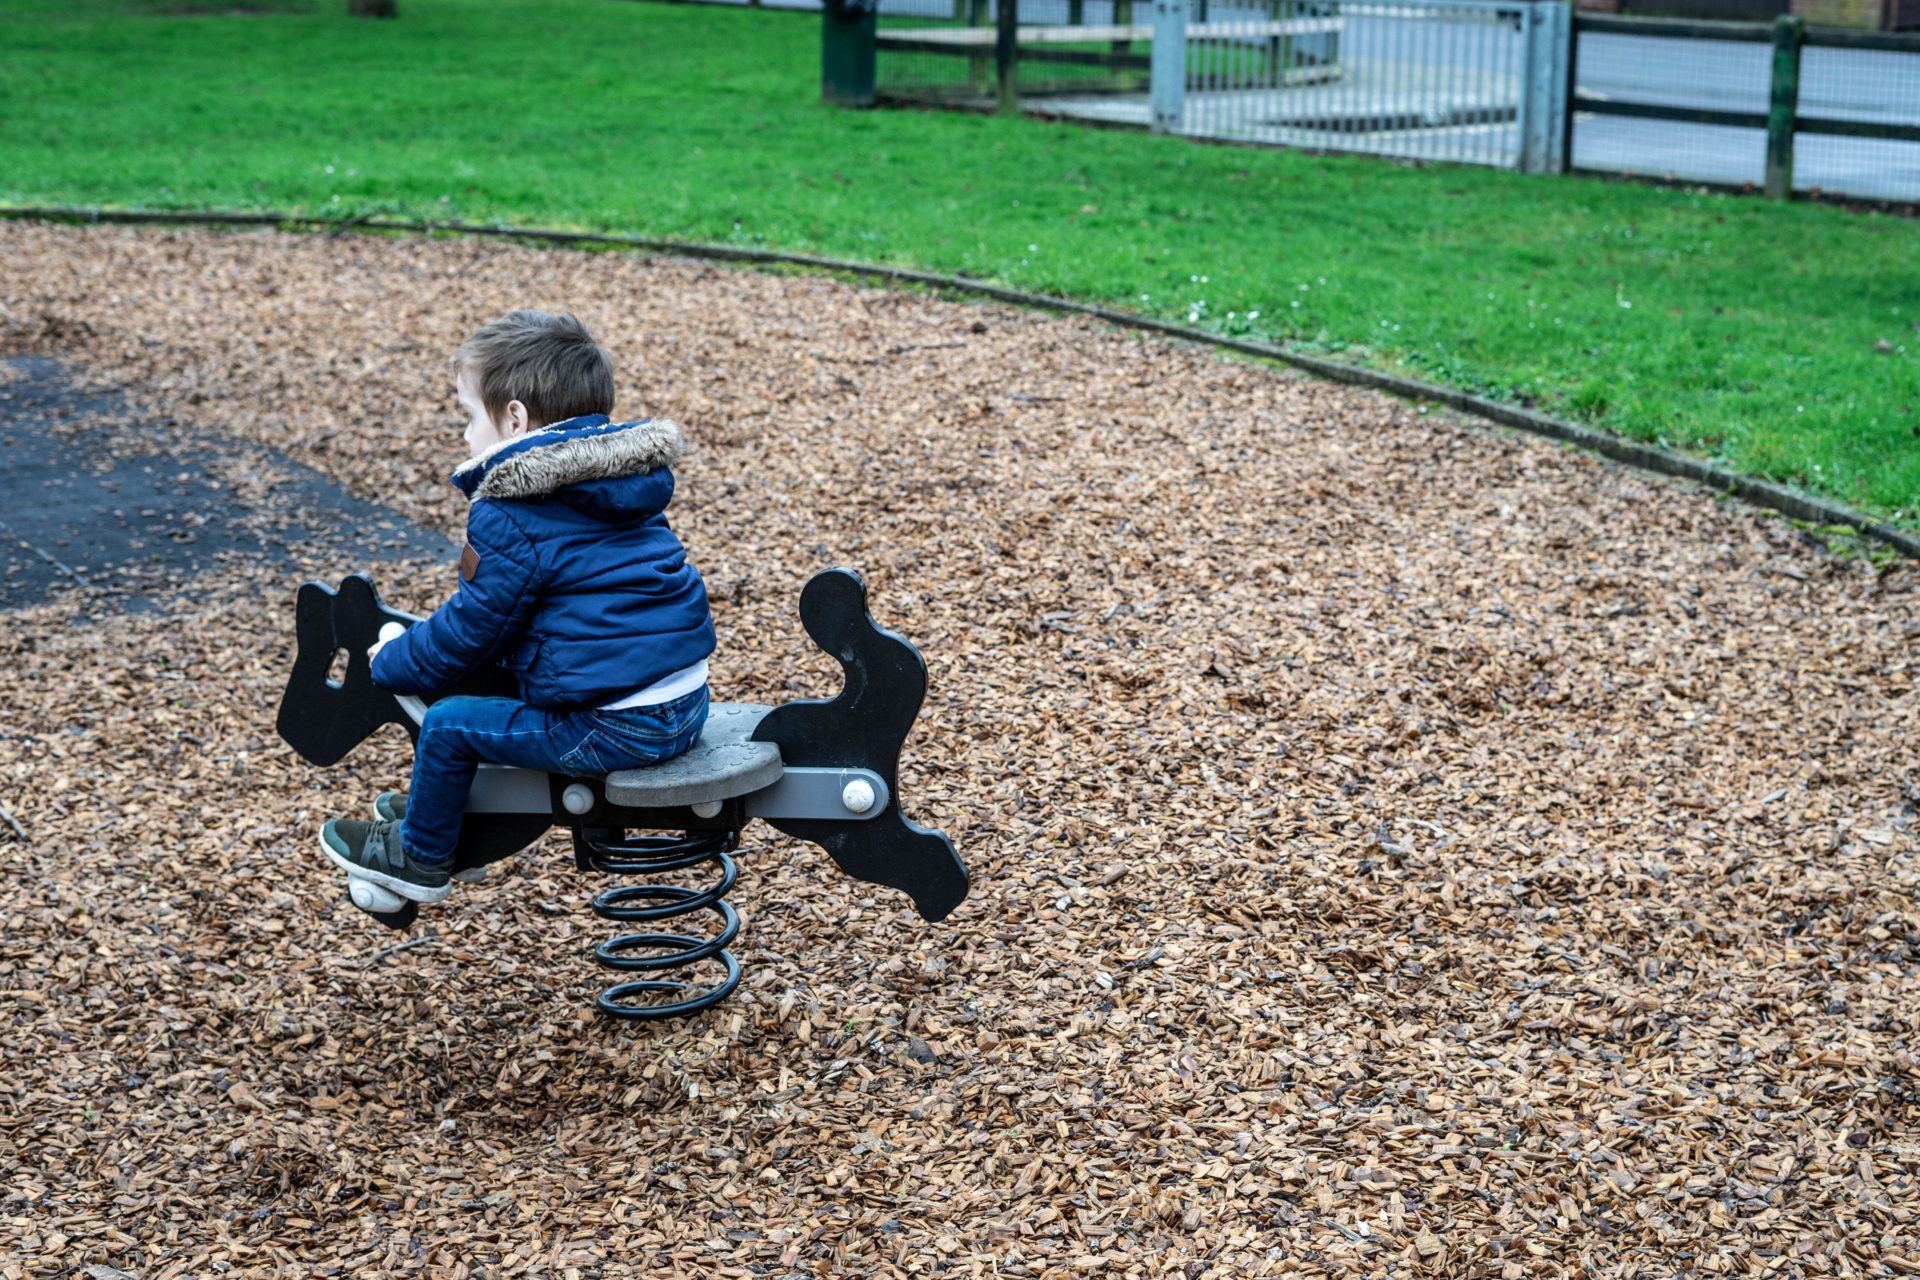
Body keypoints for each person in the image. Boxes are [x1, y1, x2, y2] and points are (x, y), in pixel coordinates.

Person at [319, 310, 715, 904]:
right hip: (685, 704)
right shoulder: (619, 485)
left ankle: (420, 857)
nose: (464, 435)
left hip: (615, 727)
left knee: (451, 723)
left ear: (513, 419)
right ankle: (444, 806)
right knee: (500, 691)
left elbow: (473, 629)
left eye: (469, 416)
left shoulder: (511, 508)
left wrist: (395, 660)